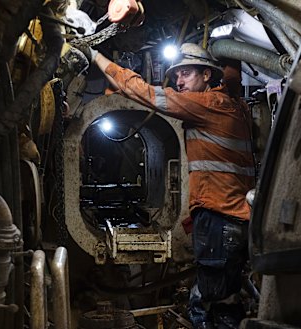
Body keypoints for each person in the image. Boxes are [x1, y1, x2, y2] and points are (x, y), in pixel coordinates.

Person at [83, 43, 255, 328]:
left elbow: (144, 92)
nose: (179, 81)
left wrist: (96, 57)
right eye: (176, 76)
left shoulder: (206, 105)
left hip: (218, 220)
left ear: (207, 76)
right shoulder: (235, 106)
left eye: (186, 73)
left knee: (211, 305)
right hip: (232, 219)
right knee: (222, 300)